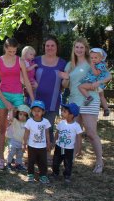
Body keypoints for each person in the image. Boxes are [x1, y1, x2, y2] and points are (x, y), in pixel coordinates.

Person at [60, 38, 104, 173]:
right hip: (74, 101)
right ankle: (72, 158)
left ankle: (99, 162)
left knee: (91, 133)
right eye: (77, 47)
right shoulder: (69, 65)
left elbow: (101, 76)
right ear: (74, 49)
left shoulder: (92, 62)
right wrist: (66, 78)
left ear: (85, 49)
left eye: (82, 47)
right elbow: (64, 86)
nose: (79, 50)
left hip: (90, 100)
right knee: (74, 131)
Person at [0, 38, 35, 170]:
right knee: (2, 127)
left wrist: (33, 99)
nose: (12, 53)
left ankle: (18, 160)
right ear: (5, 48)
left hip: (17, 95)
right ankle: (1, 157)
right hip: (3, 95)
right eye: (10, 51)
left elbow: (27, 82)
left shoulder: (20, 61)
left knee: (20, 127)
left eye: (14, 51)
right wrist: (5, 102)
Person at [30, 36, 67, 146]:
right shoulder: (35, 61)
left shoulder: (63, 63)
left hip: (52, 102)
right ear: (44, 47)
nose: (50, 48)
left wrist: (67, 78)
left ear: (57, 47)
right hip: (35, 101)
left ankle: (47, 154)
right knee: (34, 128)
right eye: (47, 45)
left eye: (52, 45)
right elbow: (27, 76)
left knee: (48, 128)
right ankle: (33, 153)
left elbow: (65, 84)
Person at [52, 103, 83, 183]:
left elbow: (79, 137)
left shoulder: (76, 126)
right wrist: (54, 142)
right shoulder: (61, 123)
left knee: (68, 163)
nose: (62, 112)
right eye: (62, 111)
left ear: (71, 114)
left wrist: (79, 149)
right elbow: (57, 133)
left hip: (69, 149)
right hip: (59, 147)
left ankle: (67, 175)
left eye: (64, 111)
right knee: (56, 161)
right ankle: (55, 173)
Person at [23, 100, 51, 184]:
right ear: (31, 111)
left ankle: (43, 175)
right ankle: (30, 174)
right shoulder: (29, 121)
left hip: (42, 147)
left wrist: (48, 143)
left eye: (39, 111)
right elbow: (26, 133)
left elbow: (47, 133)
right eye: (34, 110)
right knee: (31, 161)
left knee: (43, 162)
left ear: (43, 112)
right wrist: (24, 143)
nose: (36, 113)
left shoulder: (45, 122)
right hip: (32, 146)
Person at [78, 48, 111, 113]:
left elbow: (96, 74)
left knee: (81, 87)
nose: (93, 59)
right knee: (102, 96)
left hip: (94, 84)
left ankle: (89, 97)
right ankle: (106, 109)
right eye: (91, 58)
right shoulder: (98, 65)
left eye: (95, 58)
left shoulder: (100, 65)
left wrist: (92, 66)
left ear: (101, 58)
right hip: (100, 86)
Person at [6, 104, 30, 172]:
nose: (22, 116)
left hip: (22, 142)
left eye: (25, 115)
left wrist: (26, 143)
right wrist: (11, 110)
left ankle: (18, 164)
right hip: (14, 140)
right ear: (17, 114)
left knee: (20, 154)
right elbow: (10, 118)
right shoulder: (15, 121)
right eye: (21, 114)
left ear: (27, 116)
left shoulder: (28, 123)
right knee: (11, 152)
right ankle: (8, 163)